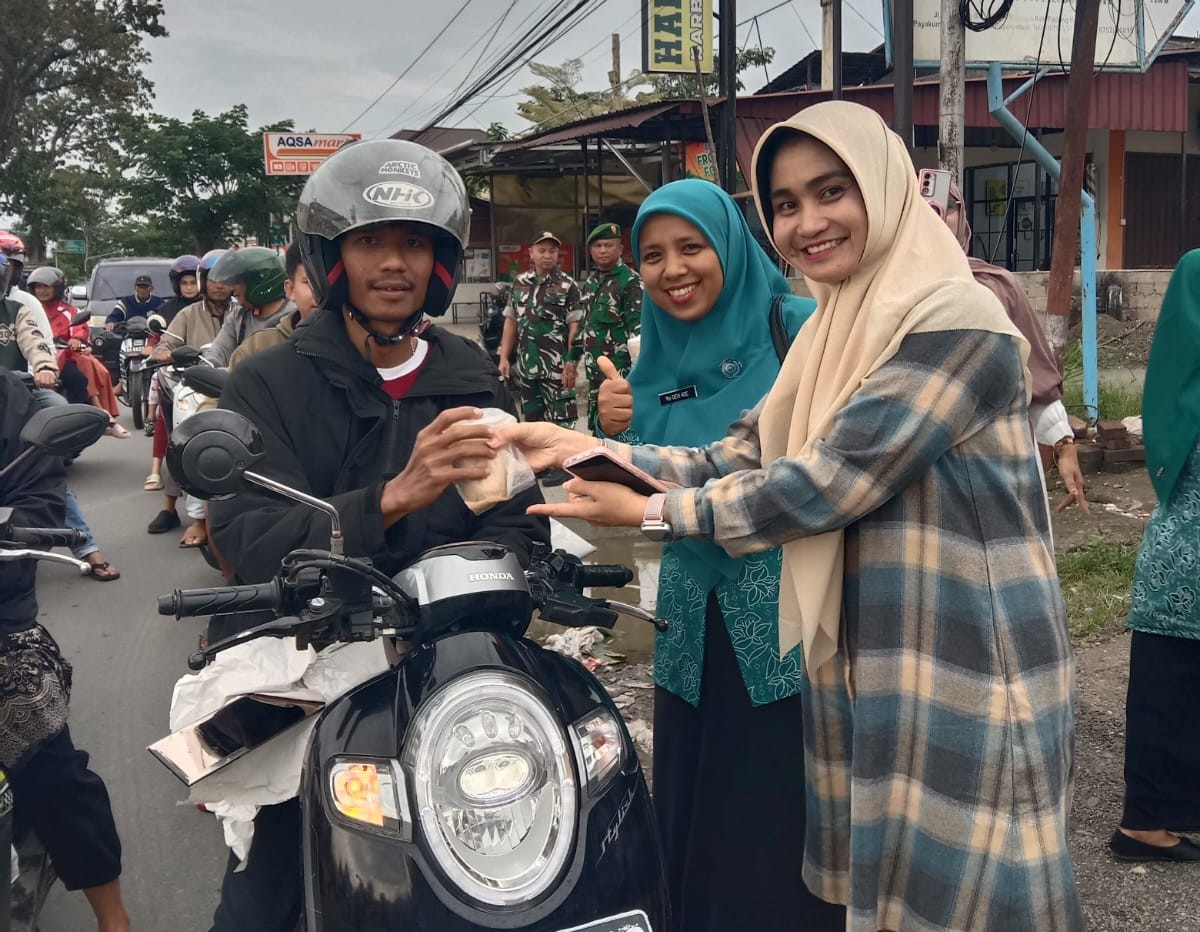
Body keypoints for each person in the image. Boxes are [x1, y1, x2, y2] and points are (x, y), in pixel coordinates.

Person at [499, 101, 1083, 932]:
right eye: (784, 204)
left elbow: (828, 481)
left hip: (964, 654)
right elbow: (742, 454)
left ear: (883, 186)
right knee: (893, 886)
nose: (807, 223)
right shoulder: (831, 331)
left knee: (971, 888)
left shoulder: (957, 320)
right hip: (873, 652)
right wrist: (580, 448)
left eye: (831, 192)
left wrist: (657, 511)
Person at [204, 137, 549, 932]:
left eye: (415, 244)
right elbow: (248, 537)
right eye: (370, 242)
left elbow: (514, 516)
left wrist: (508, 573)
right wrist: (392, 498)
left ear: (441, 263)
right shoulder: (269, 380)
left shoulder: (469, 376)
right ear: (331, 259)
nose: (395, 263)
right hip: (304, 672)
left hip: (450, 668)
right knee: (260, 900)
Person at [591, 178, 840, 932]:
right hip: (691, 612)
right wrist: (612, 429)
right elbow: (640, 489)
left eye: (691, 247)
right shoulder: (648, 358)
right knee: (701, 789)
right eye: (653, 255)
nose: (673, 270)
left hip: (786, 608)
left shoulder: (801, 329)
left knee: (779, 794)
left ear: (729, 246)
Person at [0, 368, 131, 931]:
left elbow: (37, 504)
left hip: (1, 617)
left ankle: (113, 916)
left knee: (50, 770)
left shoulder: (14, 403)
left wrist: (15, 530)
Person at [1107, 249, 1200, 863]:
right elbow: (1173, 387)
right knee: (1172, 666)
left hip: (1183, 545)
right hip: (1187, 541)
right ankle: (1145, 822)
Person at [942, 181, 1089, 513]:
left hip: (997, 461)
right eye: (920, 206)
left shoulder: (996, 287)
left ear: (962, 215)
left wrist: (1064, 444)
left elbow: (1033, 373)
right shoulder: (882, 291)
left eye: (948, 206)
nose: (936, 215)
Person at [0, 258, 121, 581]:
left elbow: (36, 341)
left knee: (40, 462)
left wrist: (44, 367)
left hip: (11, 400)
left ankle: (86, 546)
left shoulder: (16, 310)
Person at [145, 250, 231, 531]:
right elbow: (164, 345)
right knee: (181, 438)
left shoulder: (241, 313)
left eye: (225, 279)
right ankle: (170, 507)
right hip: (194, 388)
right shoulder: (188, 313)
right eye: (212, 279)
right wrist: (164, 353)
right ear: (203, 281)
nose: (219, 285)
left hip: (236, 385)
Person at [497, 231, 582, 480]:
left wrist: (571, 363)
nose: (547, 255)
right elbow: (511, 321)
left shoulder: (567, 285)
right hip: (527, 365)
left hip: (556, 366)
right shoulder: (519, 282)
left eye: (552, 251)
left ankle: (565, 466)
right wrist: (504, 357)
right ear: (531, 253)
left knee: (561, 417)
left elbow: (575, 326)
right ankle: (540, 463)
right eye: (542, 250)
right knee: (533, 418)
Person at [27, 267, 127, 436]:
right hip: (30, 357)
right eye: (38, 287)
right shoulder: (28, 308)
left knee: (79, 380)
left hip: (60, 357)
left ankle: (79, 421)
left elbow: (79, 329)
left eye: (46, 286)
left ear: (57, 288)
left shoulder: (69, 311)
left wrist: (76, 339)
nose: (41, 291)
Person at [567, 221, 642, 431]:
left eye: (608, 245)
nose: (602, 250)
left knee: (620, 430)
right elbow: (585, 325)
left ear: (620, 249)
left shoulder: (631, 282)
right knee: (597, 427)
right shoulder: (591, 282)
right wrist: (572, 359)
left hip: (619, 374)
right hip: (594, 374)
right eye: (598, 246)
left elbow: (638, 334)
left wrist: (638, 376)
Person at [227, 240, 318, 368]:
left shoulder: (349, 345)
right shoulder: (255, 348)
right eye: (309, 282)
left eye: (330, 281)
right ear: (291, 289)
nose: (321, 292)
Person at [200, 246, 292, 368]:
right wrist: (206, 367)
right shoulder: (238, 316)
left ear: (259, 282)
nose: (233, 288)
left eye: (238, 282)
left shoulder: (294, 316)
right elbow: (219, 351)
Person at [144, 255, 201, 434]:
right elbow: (157, 335)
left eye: (193, 282)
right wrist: (156, 349)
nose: (189, 287)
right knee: (157, 377)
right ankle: (151, 416)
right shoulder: (167, 308)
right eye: (185, 283)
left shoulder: (212, 307)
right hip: (175, 362)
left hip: (207, 361)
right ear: (177, 285)